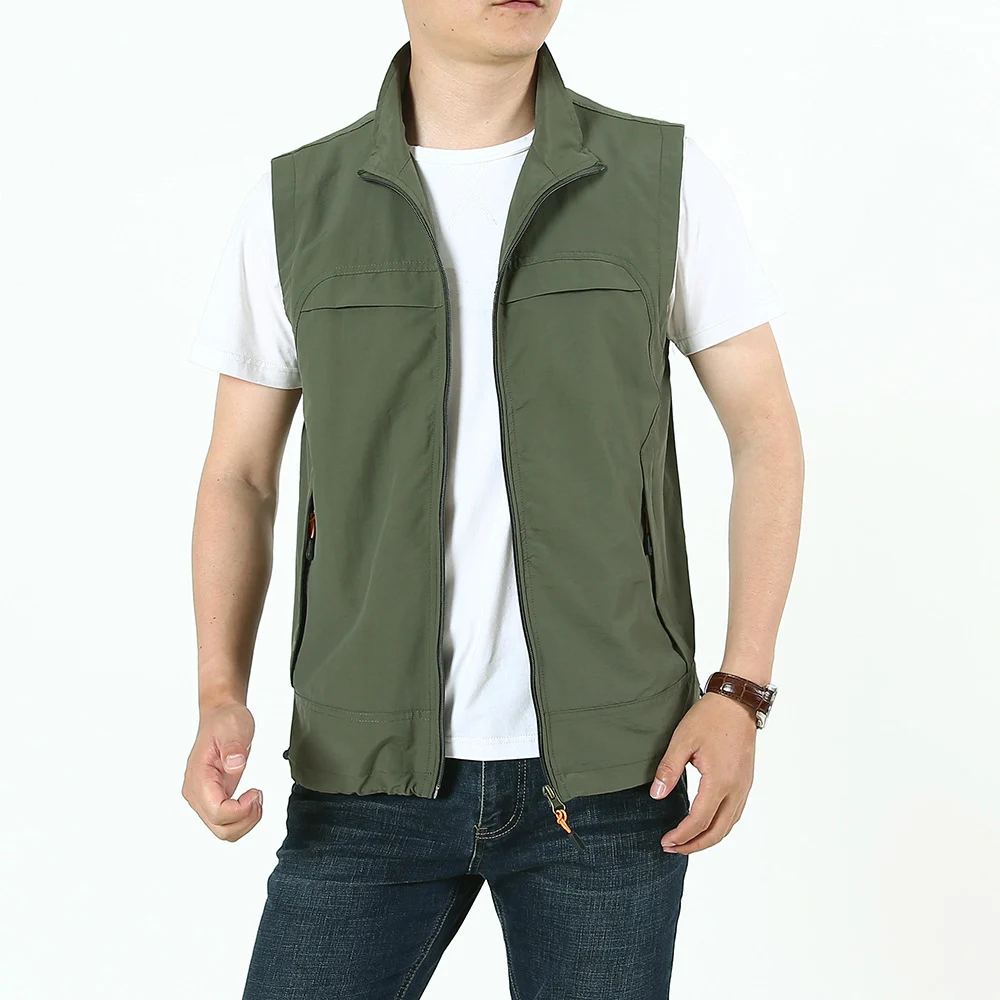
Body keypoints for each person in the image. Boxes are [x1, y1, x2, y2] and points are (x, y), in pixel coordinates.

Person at [182, 1, 803, 996]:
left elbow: (765, 433)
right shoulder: (296, 201)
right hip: (363, 775)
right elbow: (239, 474)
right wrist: (220, 692)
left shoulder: (658, 179)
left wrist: (740, 690)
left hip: (614, 775)